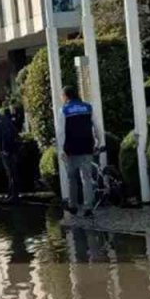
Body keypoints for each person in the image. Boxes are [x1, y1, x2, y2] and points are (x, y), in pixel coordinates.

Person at [61, 86, 98, 216]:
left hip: (71, 149)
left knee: (72, 178)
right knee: (86, 178)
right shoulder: (88, 107)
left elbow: (61, 131)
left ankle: (73, 205)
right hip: (87, 146)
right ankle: (88, 207)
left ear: (66, 96)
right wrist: (98, 141)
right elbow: (96, 125)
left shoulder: (64, 110)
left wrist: (62, 149)